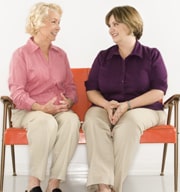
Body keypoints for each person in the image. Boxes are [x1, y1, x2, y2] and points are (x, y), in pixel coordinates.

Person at [82, 5, 168, 192]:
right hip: (108, 107)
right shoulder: (103, 57)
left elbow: (159, 91)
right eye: (109, 25)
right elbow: (92, 90)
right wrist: (106, 105)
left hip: (145, 110)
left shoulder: (152, 55)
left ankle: (112, 187)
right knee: (93, 119)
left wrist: (127, 106)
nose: (111, 29)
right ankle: (104, 187)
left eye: (116, 24)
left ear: (131, 24)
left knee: (128, 124)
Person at [8, 2, 80, 192]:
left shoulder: (61, 55)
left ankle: (54, 184)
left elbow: (70, 87)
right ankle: (33, 184)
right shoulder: (21, 55)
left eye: (59, 22)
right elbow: (16, 92)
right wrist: (40, 108)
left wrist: (70, 101)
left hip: (57, 110)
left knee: (71, 121)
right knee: (45, 122)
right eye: (53, 22)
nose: (58, 27)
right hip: (29, 111)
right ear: (39, 23)